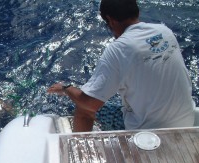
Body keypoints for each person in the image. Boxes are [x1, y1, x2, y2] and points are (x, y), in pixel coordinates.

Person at [48, 0, 194, 132]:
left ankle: (79, 153)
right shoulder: (165, 31)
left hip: (149, 133)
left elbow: (91, 103)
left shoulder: (118, 49)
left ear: (110, 21)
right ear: (137, 12)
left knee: (83, 109)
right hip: (187, 121)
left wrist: (66, 89)